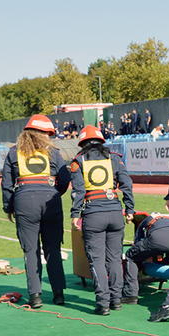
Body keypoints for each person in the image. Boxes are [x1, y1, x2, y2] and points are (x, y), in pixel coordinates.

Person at [1, 114, 71, 309]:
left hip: (24, 200)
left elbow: (7, 184)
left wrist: (9, 207)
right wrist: (54, 194)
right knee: (53, 249)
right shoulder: (53, 152)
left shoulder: (14, 152)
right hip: (51, 200)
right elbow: (65, 179)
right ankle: (58, 294)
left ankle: (35, 296)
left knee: (30, 250)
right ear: (44, 134)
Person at [70, 125, 135, 315]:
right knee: (115, 259)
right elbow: (127, 184)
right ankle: (116, 300)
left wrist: (75, 214)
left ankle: (103, 303)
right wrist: (129, 208)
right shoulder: (114, 158)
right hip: (115, 211)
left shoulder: (79, 161)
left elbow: (78, 191)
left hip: (93, 213)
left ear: (82, 143)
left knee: (97, 260)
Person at [122, 212, 169, 306]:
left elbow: (138, 244)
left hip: (160, 237)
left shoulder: (147, 221)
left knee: (131, 256)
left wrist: (141, 267)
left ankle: (130, 295)